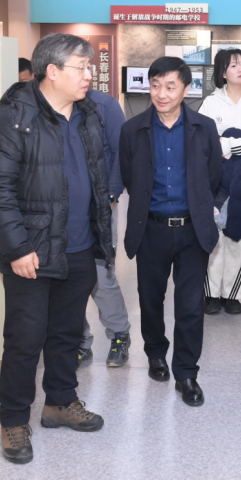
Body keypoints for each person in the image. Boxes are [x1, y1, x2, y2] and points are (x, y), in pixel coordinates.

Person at [0, 34, 114, 465]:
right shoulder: (12, 117)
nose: (89, 75)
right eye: (81, 67)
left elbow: (97, 175)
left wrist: (101, 228)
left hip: (80, 245)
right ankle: (13, 420)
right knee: (25, 339)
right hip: (32, 251)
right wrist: (17, 248)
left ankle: (59, 402)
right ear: (52, 71)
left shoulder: (89, 114)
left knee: (67, 334)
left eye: (89, 67)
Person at [119, 57, 221, 407]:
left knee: (190, 305)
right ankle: (155, 353)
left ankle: (187, 373)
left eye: (170, 86)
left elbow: (215, 176)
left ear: (186, 89)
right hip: (151, 229)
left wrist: (205, 207)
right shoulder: (132, 130)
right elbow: (130, 178)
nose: (161, 94)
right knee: (150, 299)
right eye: (155, 85)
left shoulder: (204, 127)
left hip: (192, 231)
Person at [198, 49, 241, 315]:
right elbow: (204, 139)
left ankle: (233, 294)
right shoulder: (210, 103)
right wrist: (233, 144)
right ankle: (211, 294)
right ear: (222, 72)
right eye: (234, 65)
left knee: (239, 234)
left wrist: (226, 144)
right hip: (216, 177)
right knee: (214, 233)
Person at [77, 88, 131, 369]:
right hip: (60, 208)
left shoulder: (105, 106)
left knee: (101, 275)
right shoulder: (47, 105)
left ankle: (119, 334)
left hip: (100, 204)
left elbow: (122, 154)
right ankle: (79, 341)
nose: (85, 74)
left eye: (86, 68)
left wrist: (111, 196)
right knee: (66, 278)